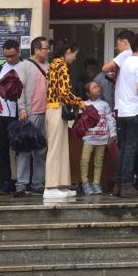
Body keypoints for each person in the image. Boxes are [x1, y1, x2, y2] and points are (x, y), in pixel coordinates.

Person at [111, 32, 138, 197]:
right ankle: (127, 185)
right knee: (131, 149)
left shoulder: (126, 61)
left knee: (123, 149)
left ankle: (118, 184)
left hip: (122, 111)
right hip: (135, 111)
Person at [44, 42, 83, 201]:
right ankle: (50, 187)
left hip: (54, 109)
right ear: (67, 51)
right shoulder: (62, 67)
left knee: (60, 148)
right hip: (56, 109)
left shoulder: (53, 65)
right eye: (74, 54)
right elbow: (65, 93)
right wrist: (80, 103)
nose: (75, 58)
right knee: (56, 149)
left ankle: (60, 184)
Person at [14, 35, 49, 196]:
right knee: (25, 149)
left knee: (41, 150)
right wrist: (22, 110)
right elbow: (19, 90)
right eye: (45, 48)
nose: (48, 51)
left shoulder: (48, 66)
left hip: (46, 113)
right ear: (36, 50)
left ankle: (37, 183)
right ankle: (21, 184)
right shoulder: (24, 66)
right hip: (29, 113)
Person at [0, 39, 22, 195]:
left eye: (12, 56)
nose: (9, 59)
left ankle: (22, 182)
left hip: (18, 114)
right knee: (1, 149)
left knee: (21, 149)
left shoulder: (25, 67)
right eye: (6, 56)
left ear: (19, 52)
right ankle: (5, 182)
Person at [80, 80, 116, 195]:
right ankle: (85, 183)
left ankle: (96, 183)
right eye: (94, 87)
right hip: (88, 138)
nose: (98, 88)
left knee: (99, 161)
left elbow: (110, 120)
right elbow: (80, 121)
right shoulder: (84, 105)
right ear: (88, 93)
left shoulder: (104, 105)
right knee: (85, 160)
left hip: (102, 138)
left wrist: (112, 133)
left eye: (98, 86)